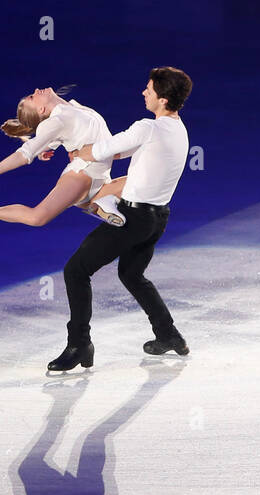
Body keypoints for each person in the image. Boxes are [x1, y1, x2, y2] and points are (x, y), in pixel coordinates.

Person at [47, 67, 194, 371]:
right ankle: (168, 335)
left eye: (149, 90)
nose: (144, 92)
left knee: (76, 270)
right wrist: (91, 152)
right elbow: (119, 152)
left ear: (163, 99)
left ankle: (79, 345)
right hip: (158, 218)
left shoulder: (147, 127)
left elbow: (101, 150)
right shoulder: (177, 130)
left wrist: (65, 146)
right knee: (131, 274)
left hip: (134, 218)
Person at [0, 87, 130, 227]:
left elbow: (75, 135)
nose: (37, 90)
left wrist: (47, 149)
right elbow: (24, 154)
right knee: (37, 217)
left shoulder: (75, 108)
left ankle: (101, 201)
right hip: (81, 176)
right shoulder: (55, 121)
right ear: (41, 111)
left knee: (151, 178)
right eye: (33, 96)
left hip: (101, 176)